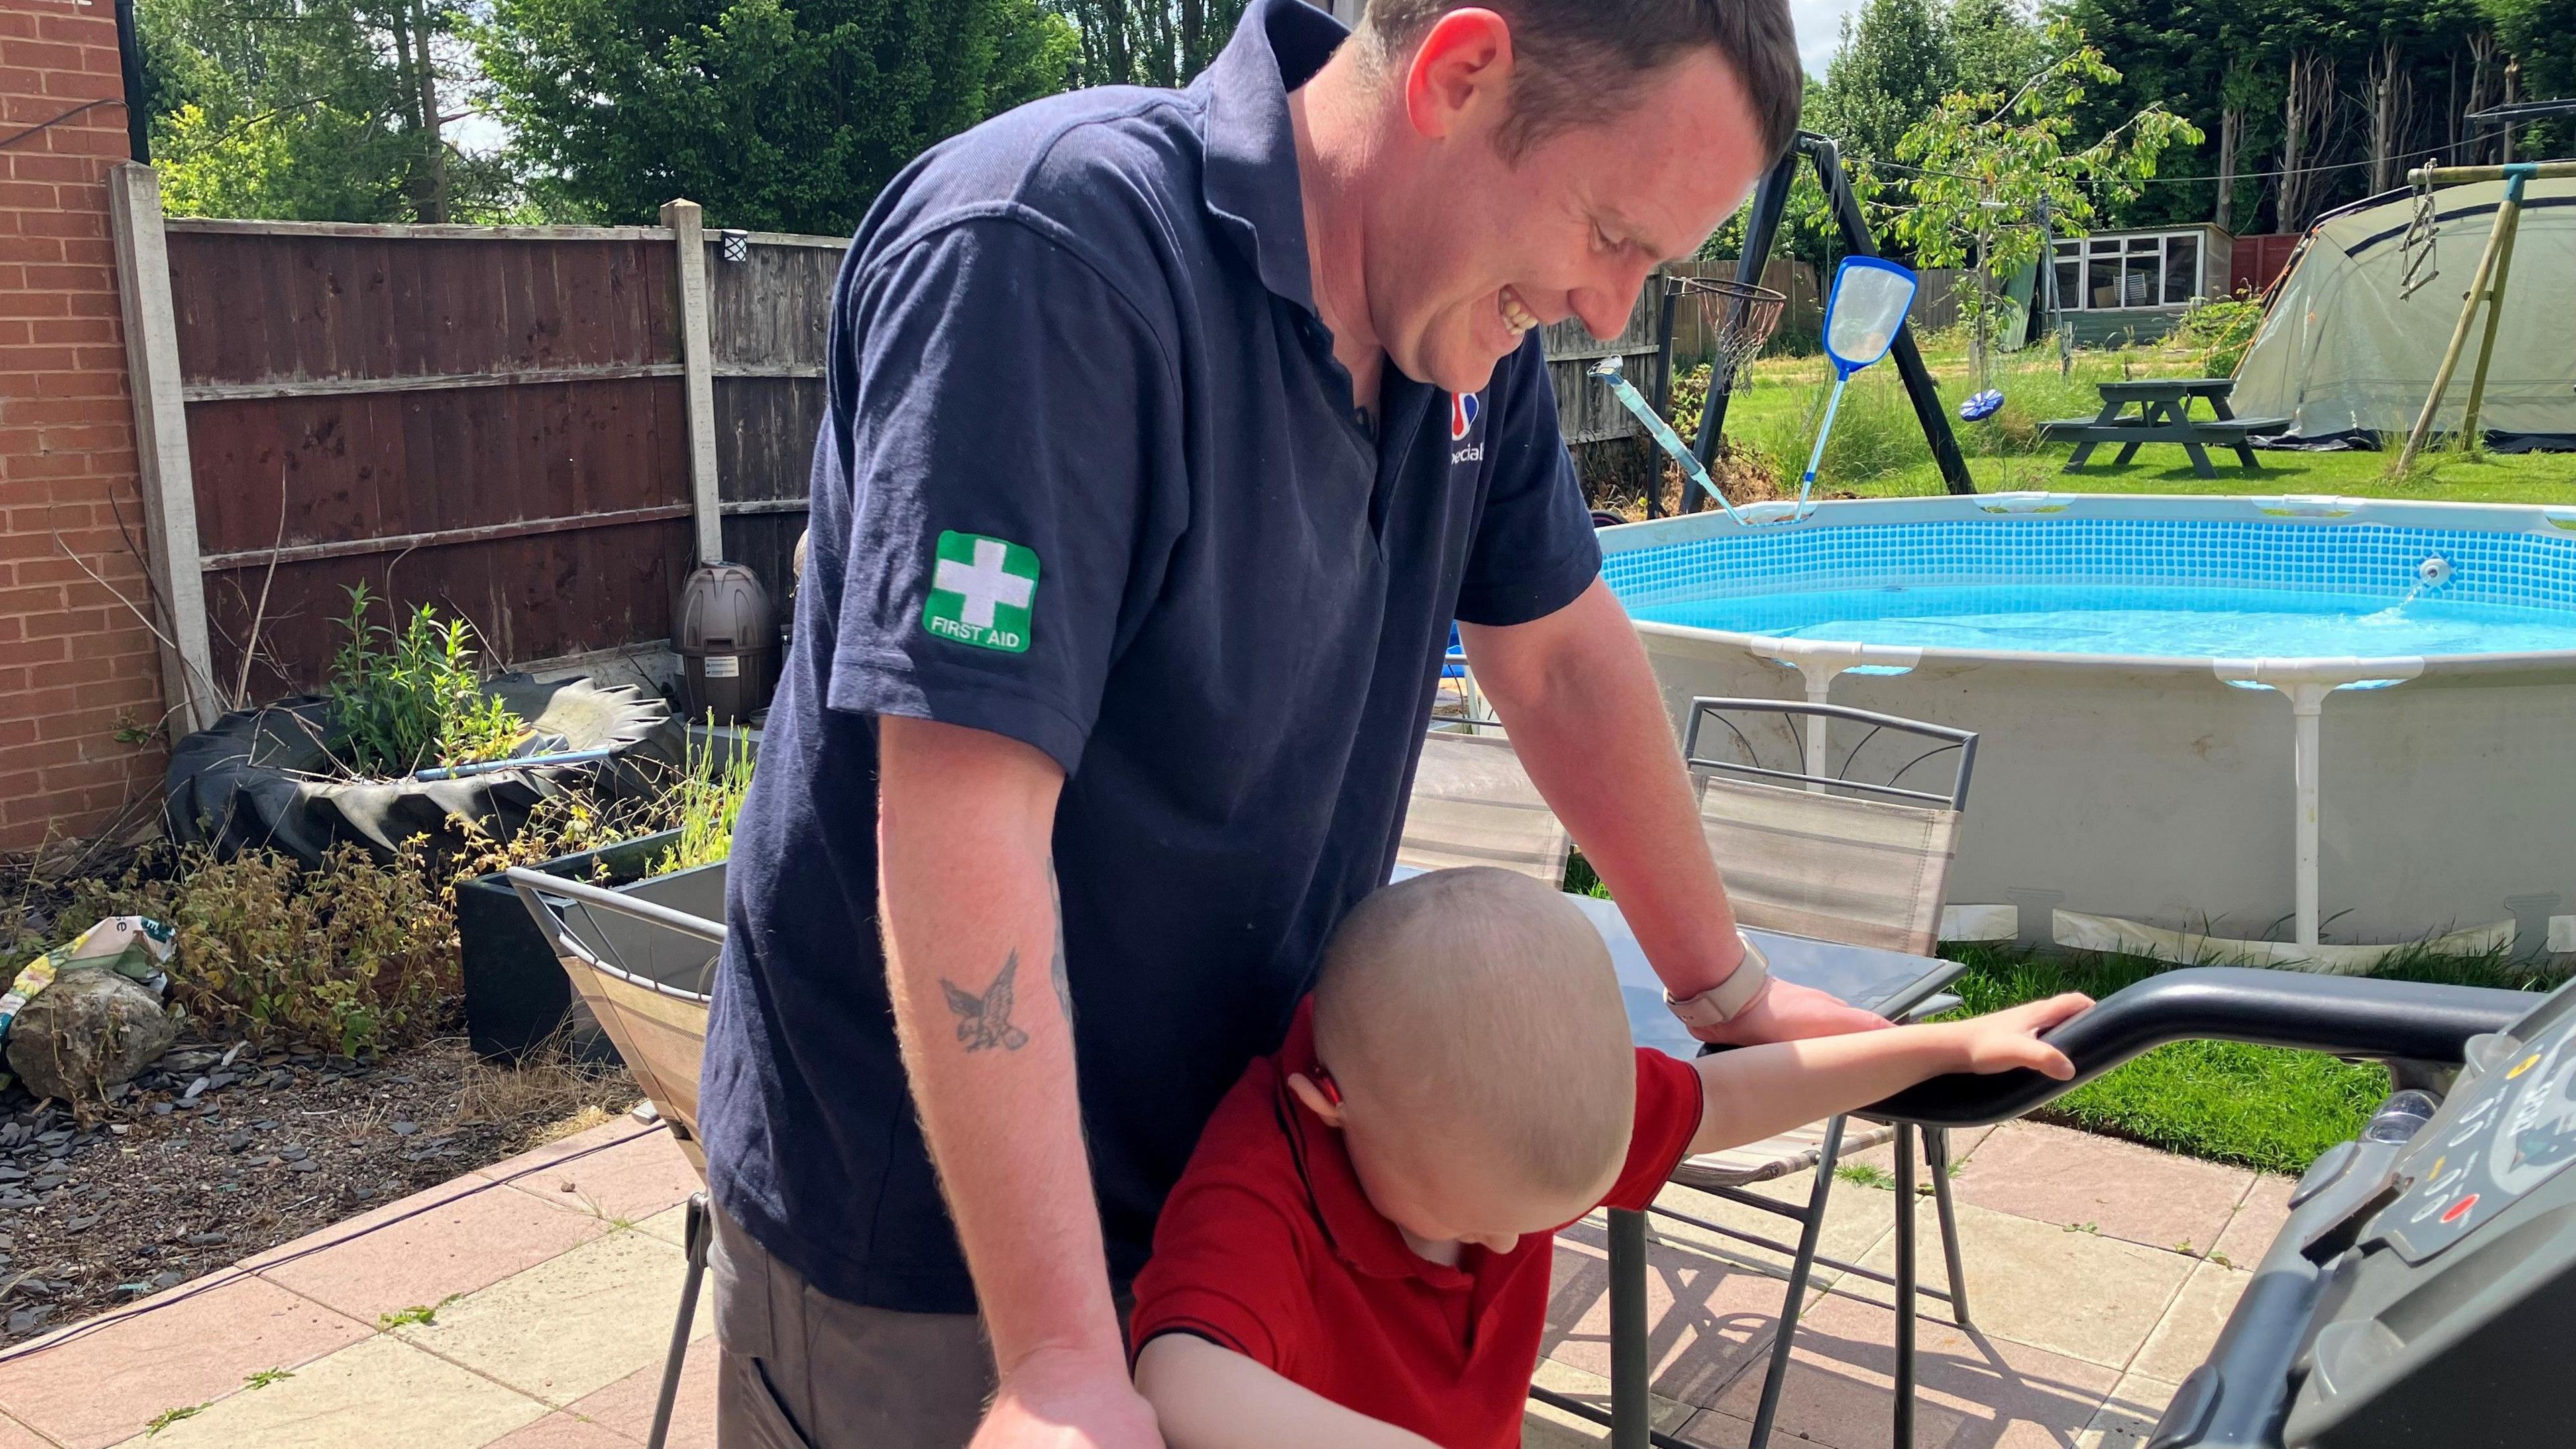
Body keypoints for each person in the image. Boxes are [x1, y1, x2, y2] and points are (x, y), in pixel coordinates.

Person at [700, 0, 1858, 1444]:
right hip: (946, 1244)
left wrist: (1726, 996)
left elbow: (1558, 659)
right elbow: (962, 807)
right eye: (1614, 235)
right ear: (1462, 74)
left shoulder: (1463, 347)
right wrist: (1061, 1359)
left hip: (1235, 1199)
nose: (1612, 309)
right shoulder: (1047, 259)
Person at [1128, 869, 2092, 1448]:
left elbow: (1724, 1095)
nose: (1507, 1241)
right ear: (1326, 1107)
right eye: (1472, 1220)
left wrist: (1946, 1047)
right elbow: (1179, 1371)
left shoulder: (1520, 1087)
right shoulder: (1262, 1183)